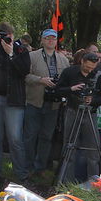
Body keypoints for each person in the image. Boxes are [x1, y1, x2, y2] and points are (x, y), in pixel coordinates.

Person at [0, 23, 31, 180]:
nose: (4, 38)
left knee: (15, 138)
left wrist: (11, 54)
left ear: (13, 35)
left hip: (14, 101)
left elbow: (24, 71)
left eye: (7, 35)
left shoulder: (20, 49)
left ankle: (20, 173)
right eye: (1, 34)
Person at [54, 52, 101, 182]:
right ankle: (66, 182)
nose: (89, 70)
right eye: (87, 67)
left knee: (93, 150)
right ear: (82, 61)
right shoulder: (69, 72)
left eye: (92, 68)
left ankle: (94, 183)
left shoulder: (99, 75)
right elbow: (57, 90)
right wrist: (71, 89)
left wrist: (92, 100)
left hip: (90, 113)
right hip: (73, 111)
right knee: (69, 147)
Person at [24, 29, 70, 176]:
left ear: (56, 41)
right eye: (47, 38)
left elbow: (66, 80)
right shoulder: (32, 56)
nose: (50, 41)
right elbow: (24, 76)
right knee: (30, 135)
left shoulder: (63, 59)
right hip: (34, 101)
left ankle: (40, 168)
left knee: (46, 136)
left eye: (53, 39)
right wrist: (40, 80)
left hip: (53, 104)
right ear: (42, 40)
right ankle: (27, 166)